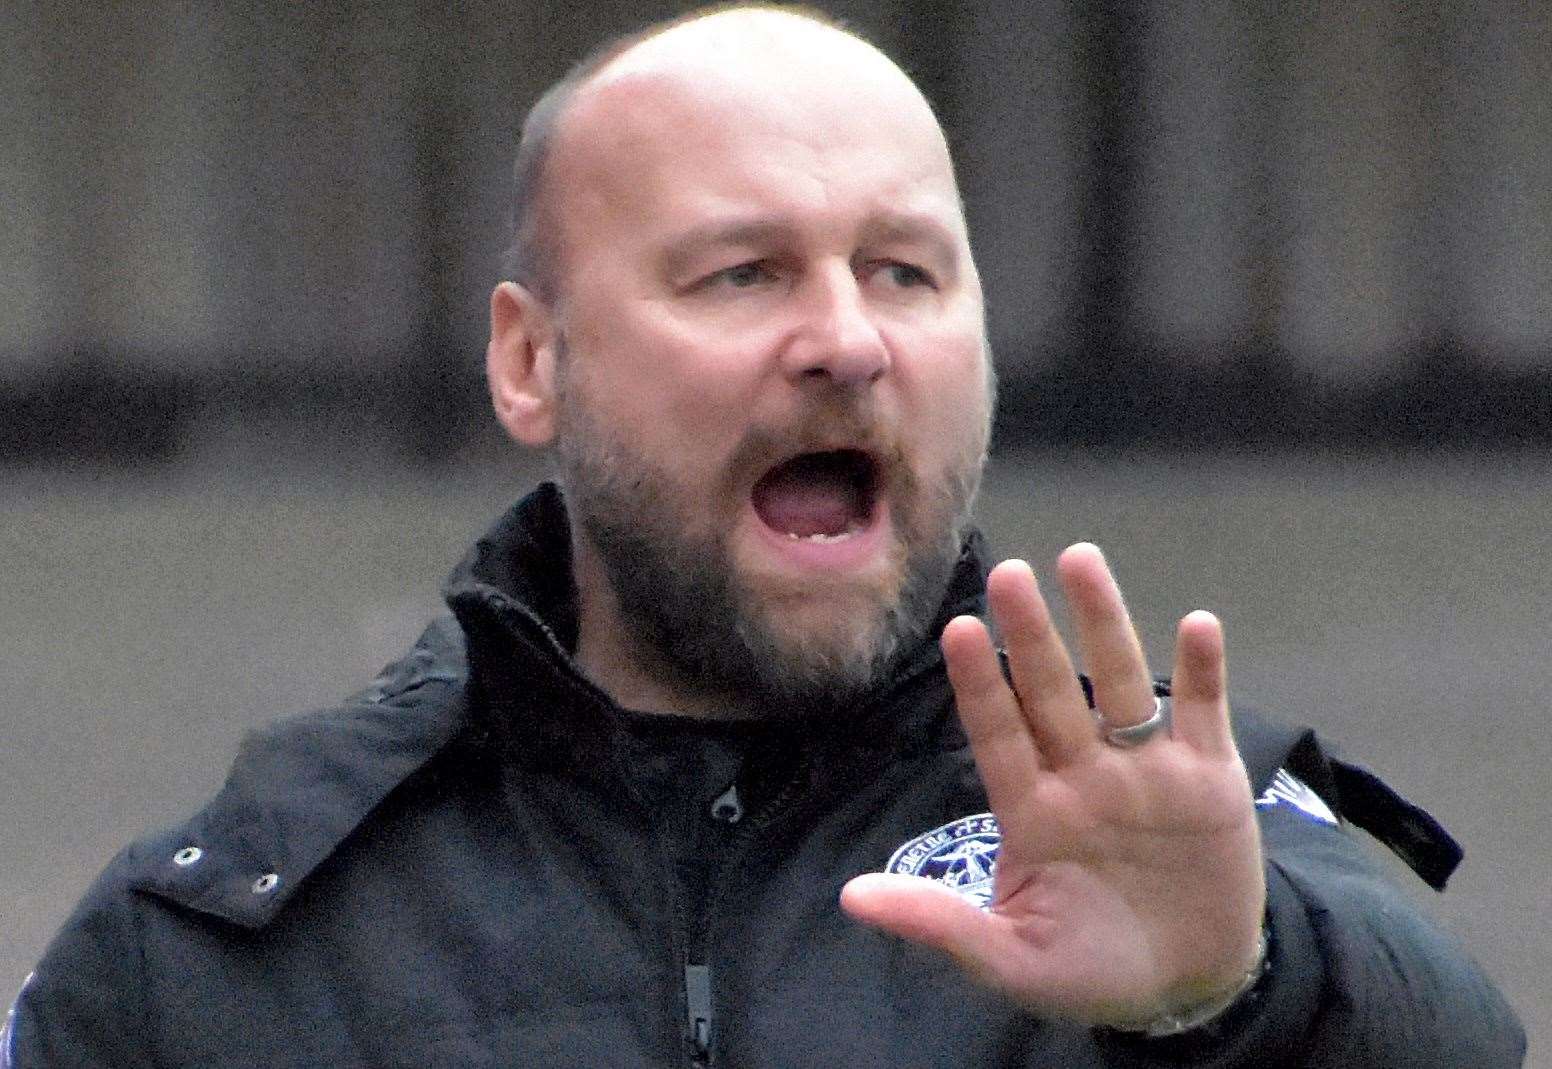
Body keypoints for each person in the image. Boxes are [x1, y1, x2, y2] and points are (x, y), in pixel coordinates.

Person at [6, 5, 1525, 1066]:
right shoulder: (236, 934)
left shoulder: (1192, 839)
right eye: (741, 273)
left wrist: (1234, 997)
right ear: (532, 361)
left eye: (908, 272)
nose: (849, 341)